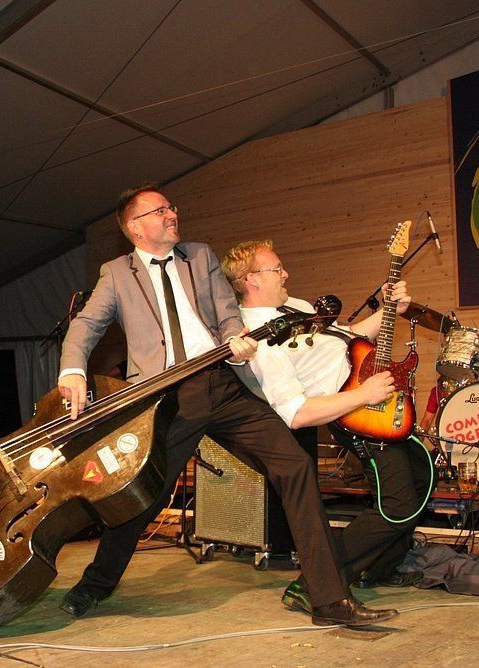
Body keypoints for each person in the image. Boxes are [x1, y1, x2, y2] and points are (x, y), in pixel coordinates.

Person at [57, 183, 396, 627]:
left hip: (222, 382)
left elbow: (226, 314)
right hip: (168, 397)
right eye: (160, 211)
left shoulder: (200, 256)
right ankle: (95, 585)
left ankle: (330, 600)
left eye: (171, 207)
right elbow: (86, 324)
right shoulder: (117, 273)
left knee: (295, 466)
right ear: (135, 227)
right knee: (145, 494)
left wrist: (236, 340)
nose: (172, 214)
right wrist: (73, 370)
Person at [220, 240, 433, 612]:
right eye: (277, 269)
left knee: (421, 477)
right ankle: (313, 583)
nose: (286, 274)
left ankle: (377, 568)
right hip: (357, 415)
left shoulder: (296, 307)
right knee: (397, 506)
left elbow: (349, 338)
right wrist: (363, 395)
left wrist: (389, 310)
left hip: (374, 401)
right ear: (252, 279)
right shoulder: (257, 339)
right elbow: (296, 413)